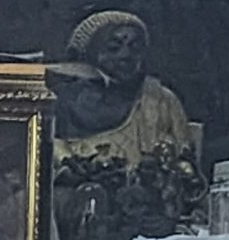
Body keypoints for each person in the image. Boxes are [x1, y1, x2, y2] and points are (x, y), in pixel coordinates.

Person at [53, 11, 196, 170]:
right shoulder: (61, 102)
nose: (126, 55)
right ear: (89, 53)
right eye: (113, 48)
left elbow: (185, 160)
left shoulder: (162, 101)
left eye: (134, 48)